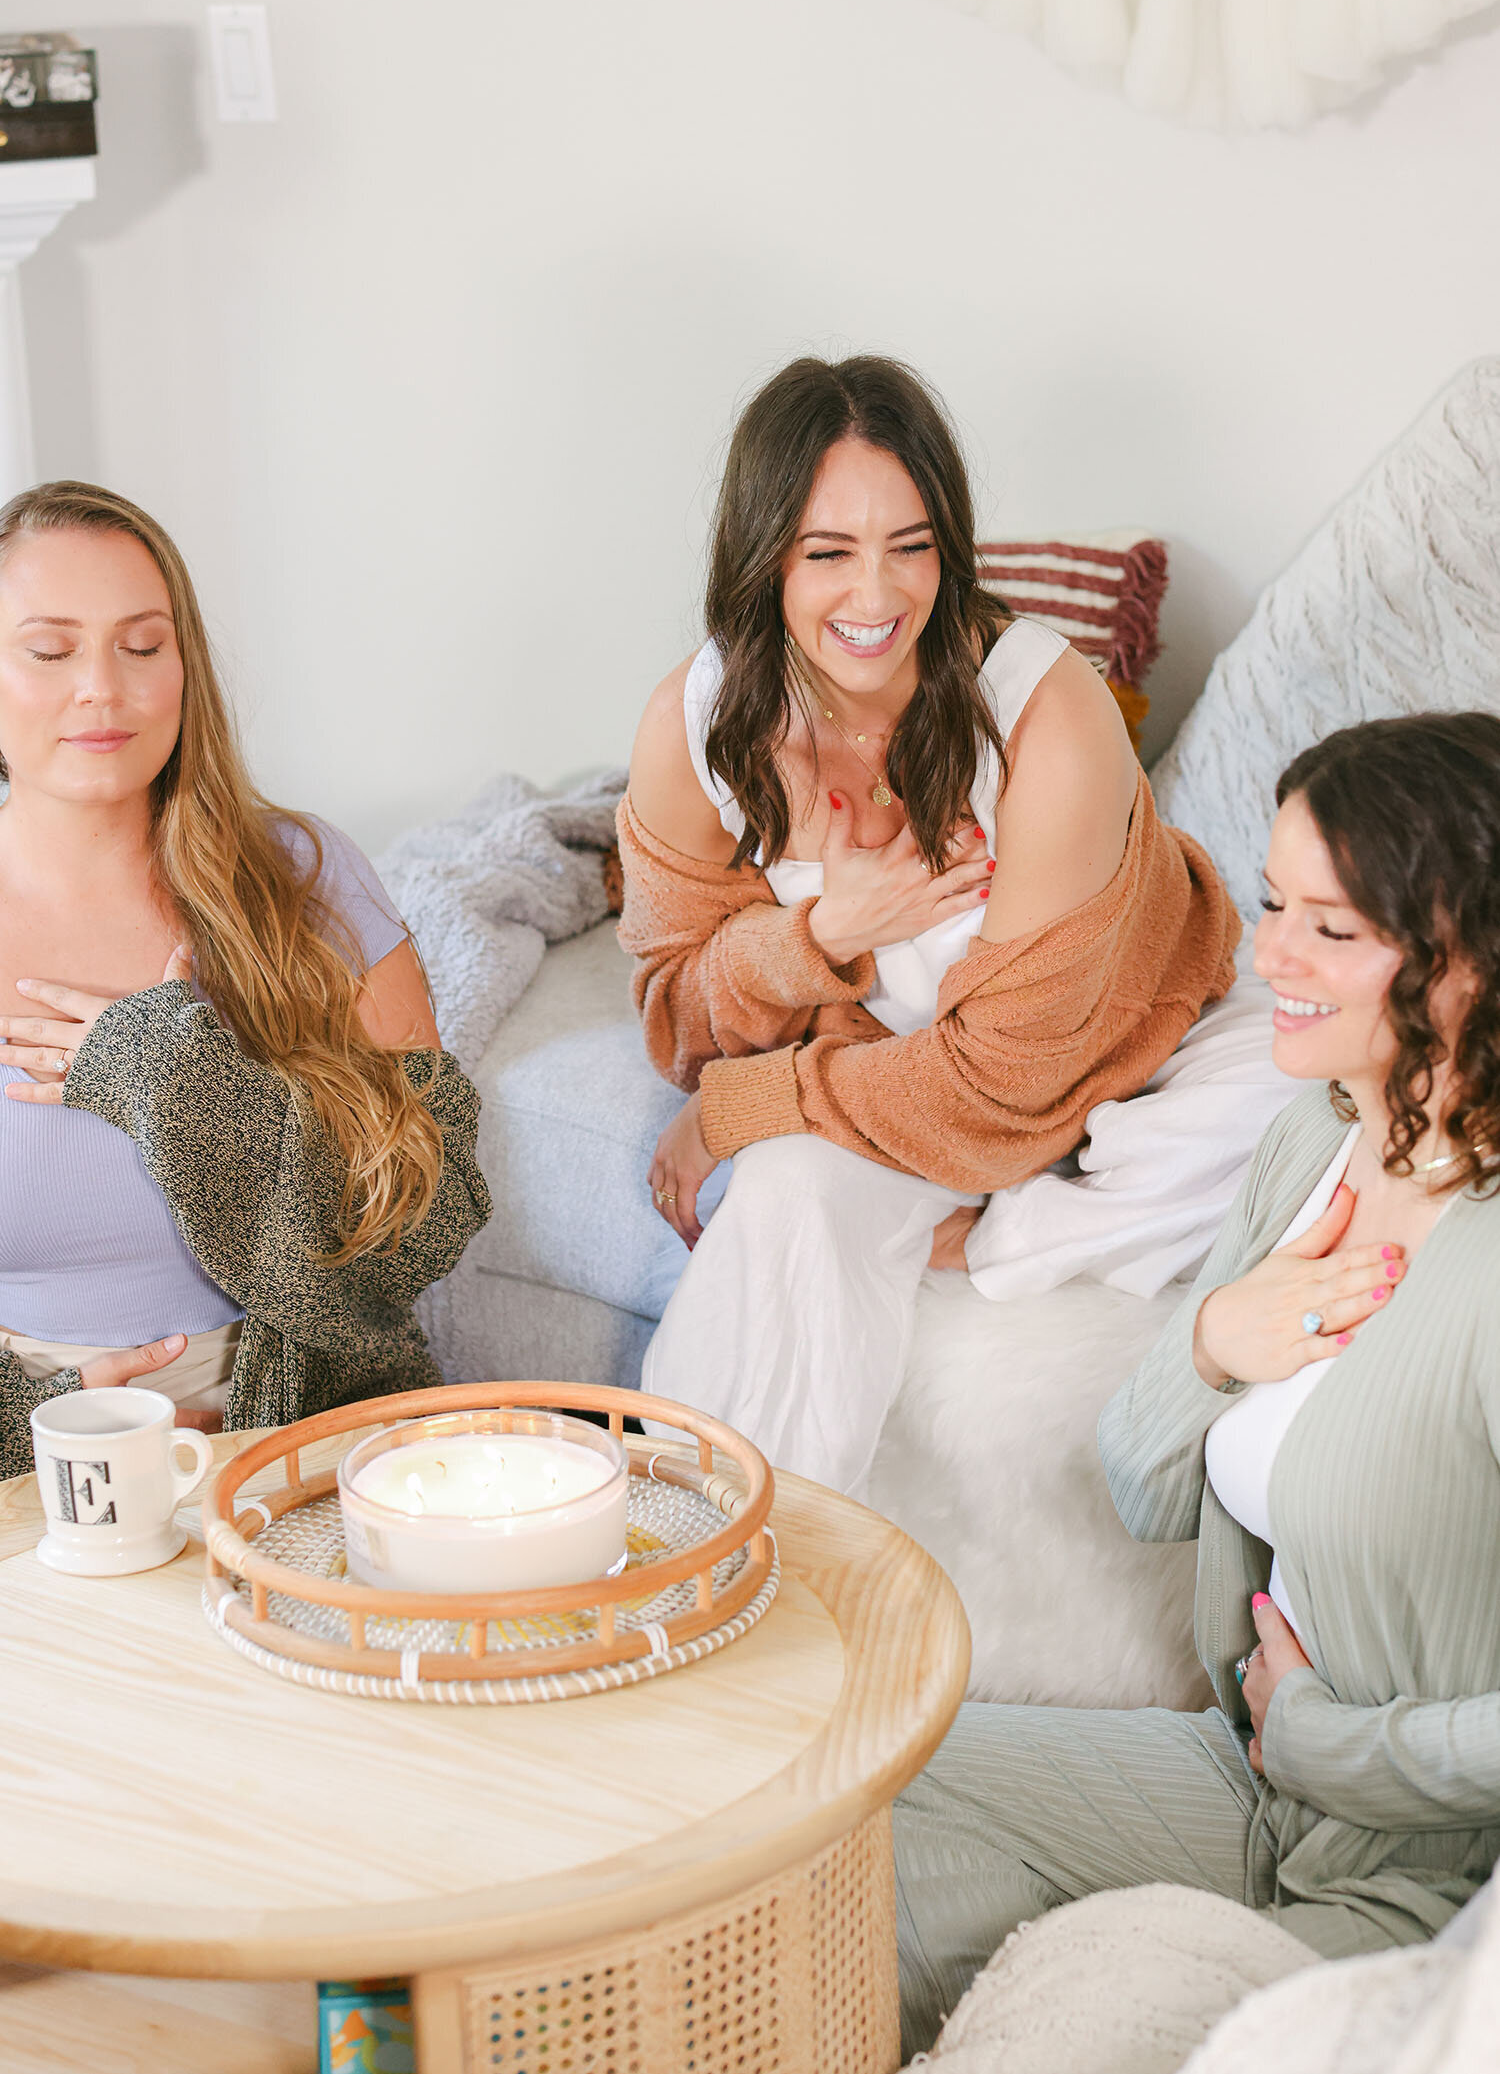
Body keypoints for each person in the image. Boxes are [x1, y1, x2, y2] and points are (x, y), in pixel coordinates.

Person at [894, 712, 1500, 2056]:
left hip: (1420, 1884)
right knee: (866, 1803)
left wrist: (1335, 1745)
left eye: (1330, 930)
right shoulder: (1313, 1147)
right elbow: (1144, 1483)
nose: (1267, 953)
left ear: (1468, 966)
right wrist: (1215, 1339)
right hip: (1245, 1784)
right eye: (1276, 902)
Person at [618, 355, 1239, 1491]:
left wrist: (748, 1103)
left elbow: (1007, 1080)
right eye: (828, 553)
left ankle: (1021, 1216)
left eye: (911, 544)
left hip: (1115, 1050)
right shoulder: (696, 725)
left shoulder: (1048, 720)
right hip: (912, 1064)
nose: (877, 596)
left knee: (1265, 1143)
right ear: (761, 559)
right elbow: (678, 1023)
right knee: (785, 1190)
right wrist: (818, 934)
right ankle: (705, 1558)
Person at [0, 481, 490, 1476]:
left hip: (311, 1429)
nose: (102, 685)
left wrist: (185, 1080)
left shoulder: (302, 876)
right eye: (49, 650)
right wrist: (39, 1416)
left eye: (143, 644)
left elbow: (431, 1208)